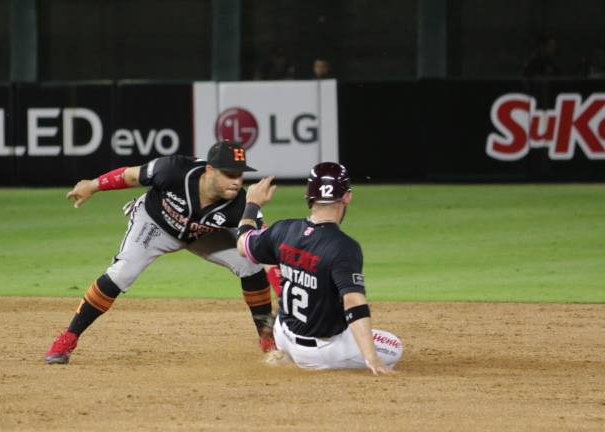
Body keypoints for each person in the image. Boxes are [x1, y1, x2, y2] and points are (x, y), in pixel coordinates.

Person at [45, 141, 276, 364]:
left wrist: (281, 287)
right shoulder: (173, 170)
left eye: (239, 174)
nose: (236, 181)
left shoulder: (242, 204)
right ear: (209, 169)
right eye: (229, 173)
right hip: (156, 225)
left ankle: (267, 337)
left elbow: (263, 248)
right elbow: (130, 176)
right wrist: (93, 185)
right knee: (121, 273)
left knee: (251, 264)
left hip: (202, 234)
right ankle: (68, 337)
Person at [235, 162, 403, 373]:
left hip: (283, 335)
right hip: (318, 352)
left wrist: (252, 204)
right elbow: (353, 300)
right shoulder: (343, 246)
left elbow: (242, 244)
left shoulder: (282, 229)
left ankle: (285, 352)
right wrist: (372, 358)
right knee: (394, 346)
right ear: (347, 197)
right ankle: (320, 361)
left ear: (309, 197)